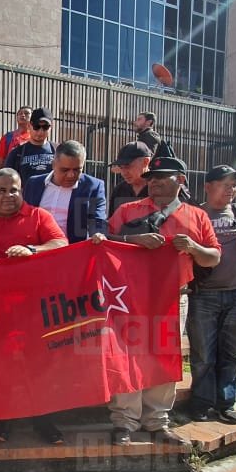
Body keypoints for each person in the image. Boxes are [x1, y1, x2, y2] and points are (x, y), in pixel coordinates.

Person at [92, 156, 220, 448]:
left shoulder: (197, 216)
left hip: (173, 297)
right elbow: (103, 240)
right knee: (127, 357)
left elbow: (213, 257)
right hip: (130, 297)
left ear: (181, 180)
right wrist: (133, 240)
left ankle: (157, 421)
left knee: (163, 357)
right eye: (151, 178)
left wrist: (193, 247)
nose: (155, 182)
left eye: (163, 177)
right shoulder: (128, 210)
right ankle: (124, 421)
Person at [0, 168, 68, 443]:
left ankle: (44, 420)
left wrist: (32, 250)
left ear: (22, 191)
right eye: (1, 191)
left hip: (35, 309)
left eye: (13, 190)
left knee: (41, 365)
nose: (8, 196)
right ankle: (1, 419)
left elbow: (61, 243)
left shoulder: (39, 216)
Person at [187, 165, 236, 425]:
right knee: (203, 355)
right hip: (203, 295)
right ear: (208, 187)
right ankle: (201, 402)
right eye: (225, 184)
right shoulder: (195, 214)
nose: (231, 189)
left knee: (232, 353)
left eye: (234, 185)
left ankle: (226, 403)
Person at [23, 139, 108, 243]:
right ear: (53, 164)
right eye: (65, 170)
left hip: (72, 250)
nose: (71, 175)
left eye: (77, 170)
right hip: (37, 248)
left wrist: (98, 234)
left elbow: (98, 221)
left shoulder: (92, 187)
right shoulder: (33, 184)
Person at [3, 108, 57, 185]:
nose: (40, 131)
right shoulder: (16, 153)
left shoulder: (58, 151)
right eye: (36, 126)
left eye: (45, 127)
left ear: (51, 127)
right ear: (29, 126)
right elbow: (7, 181)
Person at [108, 141, 153, 216]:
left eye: (127, 166)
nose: (123, 173)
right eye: (121, 167)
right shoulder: (119, 190)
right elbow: (112, 220)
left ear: (145, 162)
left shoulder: (159, 189)